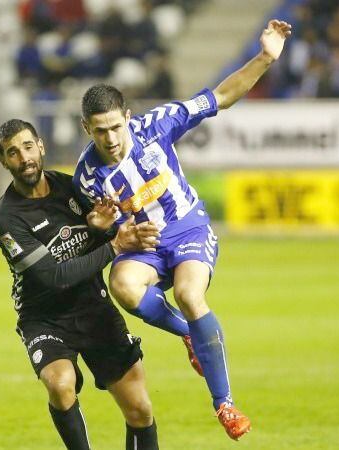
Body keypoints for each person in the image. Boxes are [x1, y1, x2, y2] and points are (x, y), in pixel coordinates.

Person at [72, 20, 293, 441]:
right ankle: (191, 336)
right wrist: (105, 229)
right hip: (144, 246)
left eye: (116, 127)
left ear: (128, 118)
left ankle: (224, 404)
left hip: (186, 227)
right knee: (122, 284)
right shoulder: (86, 176)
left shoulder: (157, 125)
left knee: (191, 295)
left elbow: (221, 97)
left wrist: (265, 57)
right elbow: (99, 229)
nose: (111, 138)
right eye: (99, 131)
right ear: (87, 129)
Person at [0, 119, 163, 450]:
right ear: (4, 161)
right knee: (60, 383)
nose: (24, 157)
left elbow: (105, 234)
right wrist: (113, 246)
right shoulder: (7, 218)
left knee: (140, 410)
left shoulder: (72, 188)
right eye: (13, 153)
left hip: (93, 307)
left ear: (40, 147)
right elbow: (55, 277)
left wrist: (104, 230)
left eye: (28, 147)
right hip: (43, 317)